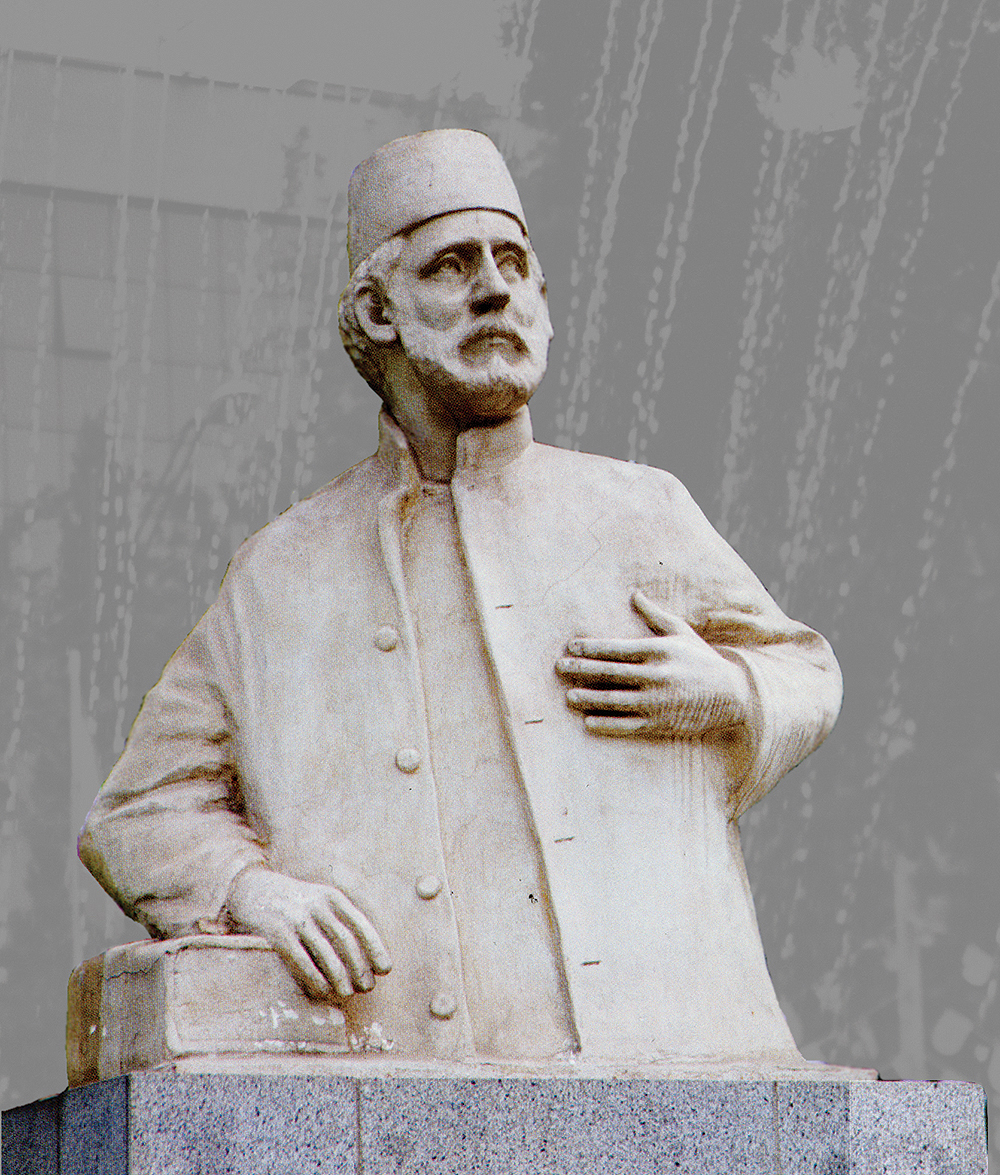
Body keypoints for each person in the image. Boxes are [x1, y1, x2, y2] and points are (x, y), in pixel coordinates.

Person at [79, 129, 842, 1065]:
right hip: (390, 1073)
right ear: (378, 311)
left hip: (667, 1045)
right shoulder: (282, 571)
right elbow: (136, 810)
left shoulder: (640, 509)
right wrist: (253, 890)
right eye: (452, 265)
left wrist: (730, 692)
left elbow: (806, 669)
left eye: (514, 264)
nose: (494, 290)